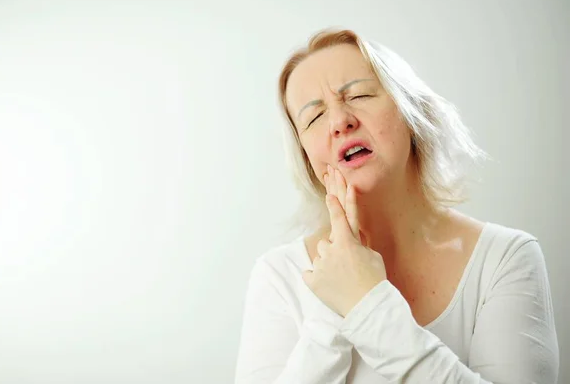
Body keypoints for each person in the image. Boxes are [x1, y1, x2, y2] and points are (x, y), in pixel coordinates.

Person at [234, 28, 559, 383]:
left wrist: (366, 302)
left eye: (358, 95)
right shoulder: (279, 275)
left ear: (411, 111)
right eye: (313, 118)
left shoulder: (506, 258)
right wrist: (330, 316)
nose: (340, 122)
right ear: (308, 157)